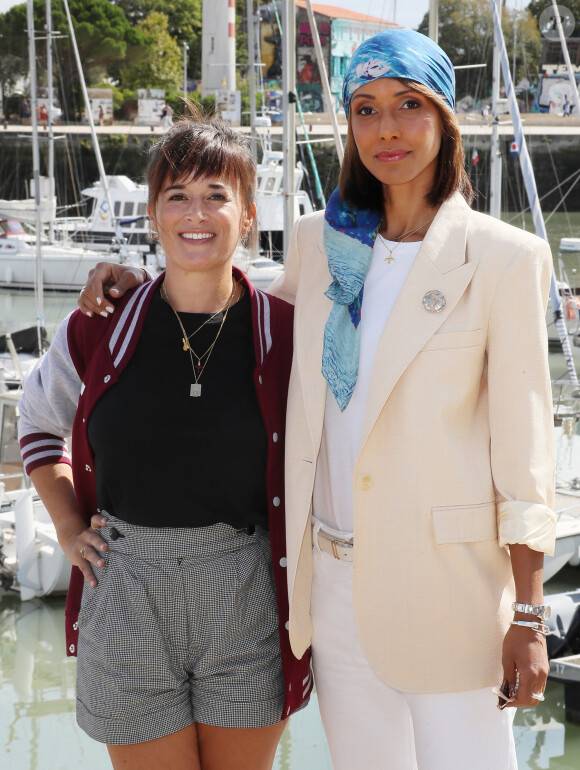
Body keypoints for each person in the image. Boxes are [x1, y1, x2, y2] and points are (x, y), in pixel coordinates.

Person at [78, 30, 555, 770]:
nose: (386, 128)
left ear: (445, 119)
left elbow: (527, 454)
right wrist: (130, 287)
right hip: (329, 592)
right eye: (364, 109)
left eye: (408, 105)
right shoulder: (316, 242)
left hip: (450, 595)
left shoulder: (503, 257)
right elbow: (228, 323)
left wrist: (529, 612)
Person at [19, 112, 311, 769]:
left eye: (217, 195)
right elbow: (37, 421)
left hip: (246, 591)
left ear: (249, 213)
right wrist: (66, 526)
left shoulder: (286, 334)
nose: (196, 213)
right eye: (177, 196)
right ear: (153, 213)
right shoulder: (100, 329)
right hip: (124, 590)